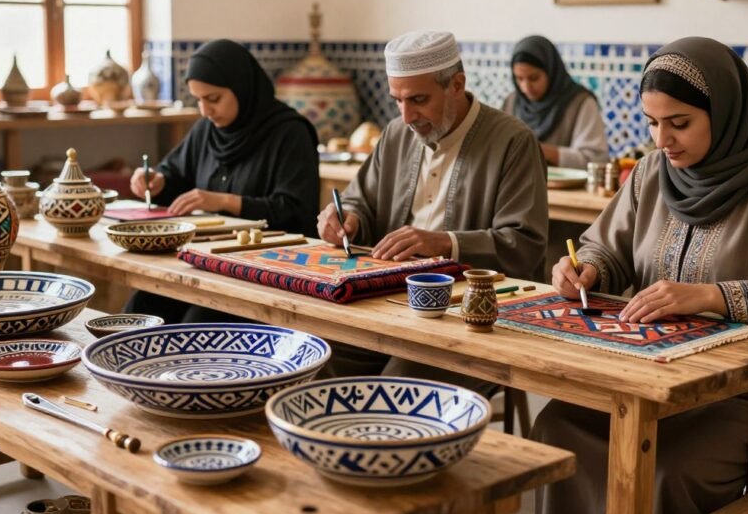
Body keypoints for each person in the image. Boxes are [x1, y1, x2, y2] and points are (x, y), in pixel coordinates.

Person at [535, 37, 748, 514]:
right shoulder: (651, 175)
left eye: (679, 124)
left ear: (725, 113)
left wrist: (709, 296)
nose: (662, 141)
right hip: (663, 373)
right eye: (652, 123)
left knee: (666, 468)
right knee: (557, 426)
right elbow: (606, 247)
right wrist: (586, 268)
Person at [315, 29, 549, 394]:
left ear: (457, 84)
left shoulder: (513, 142)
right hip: (389, 306)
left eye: (419, 100)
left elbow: (524, 243)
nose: (407, 115)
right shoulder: (395, 134)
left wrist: (442, 243)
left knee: (398, 387)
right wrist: (348, 218)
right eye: (397, 101)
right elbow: (361, 200)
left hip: (471, 320)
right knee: (316, 358)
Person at [124, 39, 320, 323]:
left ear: (242, 88)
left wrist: (224, 201)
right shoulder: (208, 129)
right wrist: (156, 180)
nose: (204, 110)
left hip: (262, 272)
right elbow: (177, 174)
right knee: (139, 310)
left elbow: (296, 211)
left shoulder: (290, 133)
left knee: (195, 324)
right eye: (198, 100)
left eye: (213, 99)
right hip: (204, 263)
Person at [502, 35, 609, 169]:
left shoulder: (580, 103)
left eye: (534, 78)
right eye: (519, 79)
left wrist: (540, 150)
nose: (526, 87)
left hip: (569, 189)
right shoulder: (512, 102)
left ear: (551, 71)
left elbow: (596, 160)